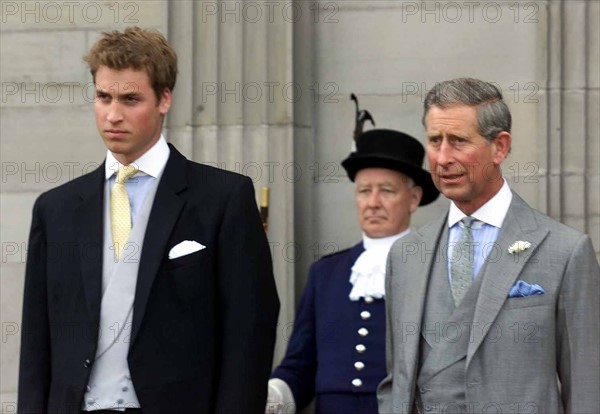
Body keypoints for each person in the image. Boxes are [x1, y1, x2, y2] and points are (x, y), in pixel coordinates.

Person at [18, 26, 279, 414]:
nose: (113, 114)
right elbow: (37, 344)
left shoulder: (223, 199)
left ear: (164, 99)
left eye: (130, 99)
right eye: (103, 97)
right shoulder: (55, 209)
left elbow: (249, 332)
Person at [378, 78, 600, 414]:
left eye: (459, 142)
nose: (442, 158)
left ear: (500, 147)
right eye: (435, 141)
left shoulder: (565, 251)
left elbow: (587, 389)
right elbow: (397, 382)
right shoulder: (405, 255)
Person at [267, 129, 439, 414]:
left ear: (413, 198)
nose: (373, 202)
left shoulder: (435, 268)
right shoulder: (325, 273)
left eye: (386, 191)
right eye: (364, 191)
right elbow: (300, 367)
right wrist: (271, 396)